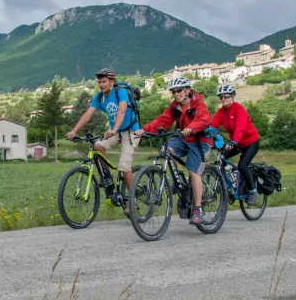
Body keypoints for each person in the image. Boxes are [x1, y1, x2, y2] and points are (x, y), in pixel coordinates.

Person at [136, 75, 213, 225]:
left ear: (188, 90)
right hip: (183, 137)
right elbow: (162, 121)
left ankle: (198, 209)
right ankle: (177, 179)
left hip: (200, 140)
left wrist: (191, 128)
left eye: (179, 91)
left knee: (193, 171)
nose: (176, 94)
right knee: (167, 150)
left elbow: (205, 119)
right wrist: (144, 130)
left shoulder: (198, 104)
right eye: (173, 91)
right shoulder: (175, 107)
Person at [66, 68, 141, 196]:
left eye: (104, 82)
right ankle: (106, 177)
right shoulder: (99, 97)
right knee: (97, 146)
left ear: (112, 81)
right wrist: (73, 131)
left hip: (131, 132)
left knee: (123, 166)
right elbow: (88, 115)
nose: (101, 85)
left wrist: (114, 129)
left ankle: (133, 200)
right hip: (116, 132)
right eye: (99, 82)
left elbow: (121, 112)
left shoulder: (120, 92)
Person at [210, 84, 261, 205]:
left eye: (226, 96)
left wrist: (234, 141)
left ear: (232, 97)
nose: (223, 99)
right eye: (221, 97)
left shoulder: (239, 109)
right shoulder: (221, 112)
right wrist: (207, 137)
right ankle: (228, 182)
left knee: (243, 165)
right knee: (221, 157)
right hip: (236, 142)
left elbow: (240, 128)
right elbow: (213, 126)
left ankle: (253, 190)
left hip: (250, 142)